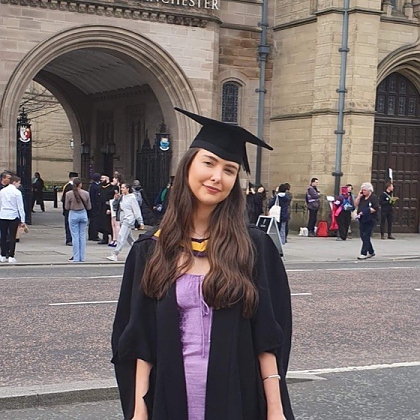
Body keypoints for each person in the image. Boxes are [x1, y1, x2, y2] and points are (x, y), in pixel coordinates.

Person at [111, 107, 294, 420]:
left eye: (229, 169)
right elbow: (140, 336)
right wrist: (139, 408)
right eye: (209, 163)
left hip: (238, 399)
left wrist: (275, 409)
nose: (216, 176)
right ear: (187, 167)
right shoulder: (150, 251)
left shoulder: (254, 248)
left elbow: (268, 335)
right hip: (170, 399)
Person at [107, 183, 144, 262]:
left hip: (129, 219)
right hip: (123, 219)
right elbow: (116, 207)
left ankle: (115, 254)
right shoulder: (122, 197)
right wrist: (116, 199)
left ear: (127, 189)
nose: (122, 189)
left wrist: (140, 221)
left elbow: (136, 210)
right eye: (121, 187)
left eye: (123, 188)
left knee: (121, 236)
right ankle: (139, 251)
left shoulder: (132, 198)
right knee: (129, 238)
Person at [0, 175, 27, 263]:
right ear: (14, 182)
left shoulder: (2, 191)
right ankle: (11, 256)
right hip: (13, 216)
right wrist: (23, 220)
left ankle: (3, 255)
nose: (19, 185)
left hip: (3, 215)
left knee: (3, 236)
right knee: (12, 236)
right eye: (19, 183)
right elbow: (20, 207)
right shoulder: (17, 192)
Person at [64, 178, 92, 262]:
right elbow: (89, 206)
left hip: (73, 213)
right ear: (80, 184)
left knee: (75, 236)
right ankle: (82, 257)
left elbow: (66, 207)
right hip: (83, 213)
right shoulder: (86, 193)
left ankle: (76, 257)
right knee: (82, 236)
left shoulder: (69, 194)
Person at [354, 182, 379, 260]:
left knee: (366, 236)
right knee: (363, 236)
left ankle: (363, 253)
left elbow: (375, 208)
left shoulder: (373, 198)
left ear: (369, 190)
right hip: (362, 219)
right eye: (362, 190)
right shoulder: (362, 197)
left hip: (370, 219)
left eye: (364, 190)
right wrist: (358, 197)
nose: (363, 192)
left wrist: (364, 212)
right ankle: (371, 251)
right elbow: (355, 204)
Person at [61, 171, 78, 246]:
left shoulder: (68, 186)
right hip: (69, 208)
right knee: (69, 224)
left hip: (71, 208)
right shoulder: (69, 187)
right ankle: (69, 239)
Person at [97, 174, 114, 244]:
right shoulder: (100, 187)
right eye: (101, 178)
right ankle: (105, 238)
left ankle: (114, 238)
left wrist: (109, 208)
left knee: (110, 224)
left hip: (109, 208)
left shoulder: (111, 187)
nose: (101, 179)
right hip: (102, 208)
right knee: (103, 224)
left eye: (103, 178)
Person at [88, 173, 101, 241]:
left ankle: (91, 235)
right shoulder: (96, 187)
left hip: (91, 206)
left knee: (91, 221)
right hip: (95, 207)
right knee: (95, 222)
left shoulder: (92, 186)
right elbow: (97, 198)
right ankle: (94, 235)